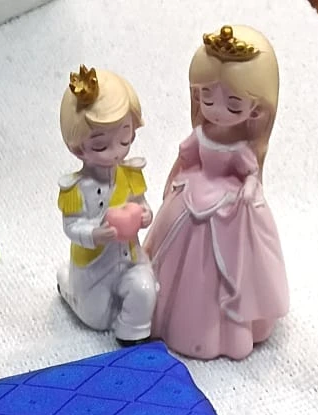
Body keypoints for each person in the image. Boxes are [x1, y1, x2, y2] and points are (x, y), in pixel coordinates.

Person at [145, 24, 289, 360]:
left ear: (256, 108)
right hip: (189, 198)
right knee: (172, 259)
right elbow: (186, 157)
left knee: (226, 269)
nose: (217, 110)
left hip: (227, 209)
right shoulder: (202, 135)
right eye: (207, 98)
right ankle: (167, 314)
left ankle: (222, 329)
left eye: (233, 105)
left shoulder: (241, 147)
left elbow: (250, 172)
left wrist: (250, 189)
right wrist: (173, 179)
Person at [56, 65, 157, 344]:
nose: (116, 152)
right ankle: (66, 282)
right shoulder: (76, 189)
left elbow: (141, 203)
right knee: (95, 319)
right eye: (101, 146)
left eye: (124, 140)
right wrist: (94, 233)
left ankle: (131, 336)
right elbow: (71, 225)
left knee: (145, 290)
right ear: (78, 148)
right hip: (94, 266)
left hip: (130, 258)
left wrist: (145, 214)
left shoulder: (131, 174)